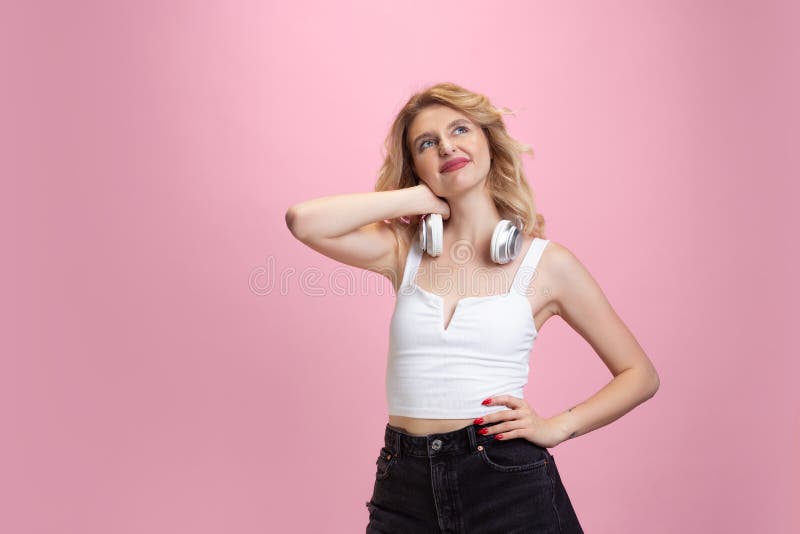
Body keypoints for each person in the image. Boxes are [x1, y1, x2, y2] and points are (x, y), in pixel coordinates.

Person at [285, 82, 659, 533]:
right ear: (417, 165)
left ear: (487, 141)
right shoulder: (404, 250)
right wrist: (417, 199)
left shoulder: (547, 265)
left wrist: (558, 426)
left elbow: (640, 374)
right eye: (427, 143)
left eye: (460, 129)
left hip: (505, 479)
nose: (447, 146)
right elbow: (303, 222)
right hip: (403, 483)